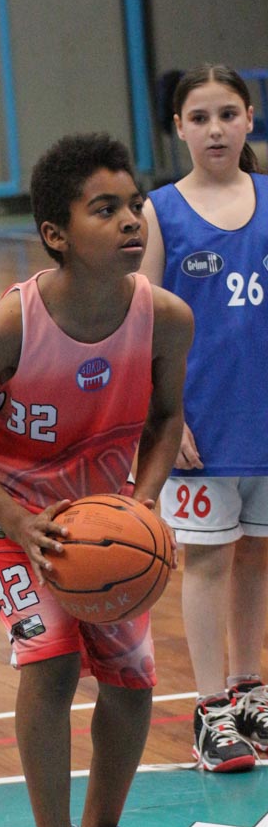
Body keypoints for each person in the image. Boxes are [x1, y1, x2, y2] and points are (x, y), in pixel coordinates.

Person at [0, 133, 193, 827]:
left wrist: (143, 503)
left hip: (105, 523)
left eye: (134, 204)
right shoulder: (9, 324)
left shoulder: (166, 318)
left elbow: (166, 419)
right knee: (49, 662)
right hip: (12, 514)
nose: (130, 220)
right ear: (56, 233)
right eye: (104, 209)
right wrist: (14, 521)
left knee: (133, 680)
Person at [141, 63, 268, 774]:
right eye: (199, 118)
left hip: (263, 414)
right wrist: (167, 414)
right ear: (179, 128)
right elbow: (143, 325)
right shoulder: (160, 211)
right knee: (210, 560)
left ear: (249, 118)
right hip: (201, 427)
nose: (215, 129)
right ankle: (211, 706)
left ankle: (251, 692)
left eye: (227, 114)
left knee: (258, 555)